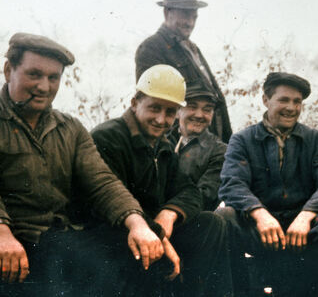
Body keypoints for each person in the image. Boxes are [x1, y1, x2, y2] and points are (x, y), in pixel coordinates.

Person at [0, 33, 173, 296]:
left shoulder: (70, 128)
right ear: (9, 70)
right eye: (34, 74)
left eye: (53, 78)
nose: (43, 86)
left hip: (50, 241)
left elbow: (102, 183)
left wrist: (138, 224)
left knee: (142, 260)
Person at [91, 65, 232, 297]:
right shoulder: (110, 137)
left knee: (211, 224)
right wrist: (160, 236)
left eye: (170, 112)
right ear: (135, 102)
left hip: (151, 229)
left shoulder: (162, 144)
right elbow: (111, 202)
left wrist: (170, 213)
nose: (161, 119)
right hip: (113, 232)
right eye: (154, 108)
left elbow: (189, 191)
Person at [217, 72, 318, 296]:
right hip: (261, 231)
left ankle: (303, 290)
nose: (291, 108)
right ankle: (239, 292)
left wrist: (307, 215)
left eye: (297, 102)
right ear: (265, 100)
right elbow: (232, 183)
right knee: (224, 217)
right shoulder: (243, 139)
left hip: (302, 231)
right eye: (283, 100)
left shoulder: (315, 139)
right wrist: (260, 214)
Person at [135, 0, 232, 143]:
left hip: (212, 144)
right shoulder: (151, 48)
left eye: (194, 17)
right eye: (185, 15)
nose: (190, 23)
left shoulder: (192, 48)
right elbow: (153, 107)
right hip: (184, 148)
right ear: (167, 12)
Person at [167, 83, 227, 211]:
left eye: (207, 109)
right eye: (192, 107)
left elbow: (205, 195)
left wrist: (171, 211)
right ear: (177, 111)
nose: (199, 115)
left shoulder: (220, 151)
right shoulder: (161, 141)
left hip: (189, 219)